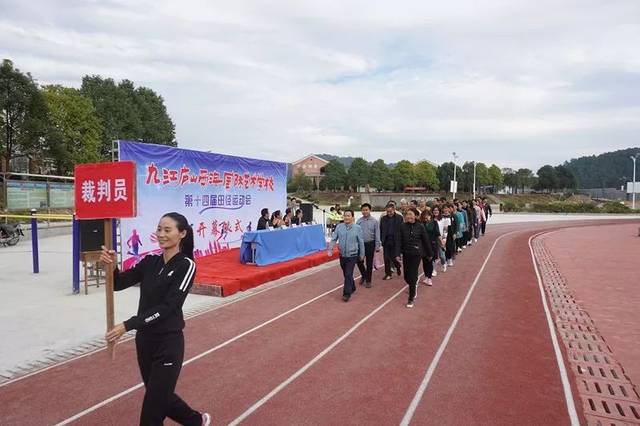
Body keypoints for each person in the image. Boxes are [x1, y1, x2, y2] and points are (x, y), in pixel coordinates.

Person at [99, 212, 210, 426]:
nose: (161, 234)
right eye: (159, 229)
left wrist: (127, 325)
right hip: (145, 341)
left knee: (151, 414)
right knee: (160, 397)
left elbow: (168, 307)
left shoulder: (186, 266)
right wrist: (111, 266)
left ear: (182, 234)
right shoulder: (149, 262)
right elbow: (119, 283)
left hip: (168, 343)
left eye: (167, 230)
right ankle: (196, 421)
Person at [396, 208, 433, 308]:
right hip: (406, 253)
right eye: (407, 214)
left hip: (416, 254)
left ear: (416, 216)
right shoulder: (402, 226)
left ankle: (411, 298)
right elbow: (398, 240)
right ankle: (413, 283)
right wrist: (397, 254)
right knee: (406, 276)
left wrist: (430, 254)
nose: (409, 216)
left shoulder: (420, 226)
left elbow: (426, 241)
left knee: (412, 275)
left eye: (411, 215)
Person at [328, 210, 365, 302]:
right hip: (342, 255)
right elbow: (333, 239)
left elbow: (361, 242)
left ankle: (346, 294)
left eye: (348, 216)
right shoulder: (339, 227)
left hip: (352, 255)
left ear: (352, 217)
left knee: (348, 273)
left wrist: (362, 254)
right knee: (346, 274)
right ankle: (352, 286)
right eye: (345, 216)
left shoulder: (357, 228)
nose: (346, 217)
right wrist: (330, 249)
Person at [356, 203, 381, 288]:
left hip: (370, 243)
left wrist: (377, 246)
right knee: (359, 261)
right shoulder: (359, 221)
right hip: (360, 244)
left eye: (366, 210)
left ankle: (368, 280)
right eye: (363, 210)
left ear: (370, 210)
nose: (365, 211)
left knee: (369, 263)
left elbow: (377, 234)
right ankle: (364, 274)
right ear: (361, 211)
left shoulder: (374, 221)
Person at [380, 202, 403, 280]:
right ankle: (388, 274)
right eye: (388, 211)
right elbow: (381, 229)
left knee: (394, 258)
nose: (389, 213)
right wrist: (381, 239)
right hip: (386, 241)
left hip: (396, 241)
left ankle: (398, 267)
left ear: (394, 210)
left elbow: (402, 229)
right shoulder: (383, 219)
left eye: (391, 211)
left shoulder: (399, 218)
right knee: (386, 258)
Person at [420, 208, 440, 286]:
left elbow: (438, 234)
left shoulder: (434, 223)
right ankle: (426, 276)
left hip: (432, 244)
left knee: (430, 261)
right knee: (425, 262)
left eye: (427, 215)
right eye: (424, 215)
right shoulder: (421, 224)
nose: (426, 217)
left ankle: (429, 277)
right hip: (423, 246)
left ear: (430, 216)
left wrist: (442, 244)